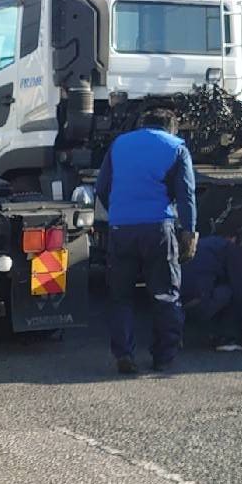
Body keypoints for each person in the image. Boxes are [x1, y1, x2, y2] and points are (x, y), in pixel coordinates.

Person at [96, 108, 198, 374]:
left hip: (121, 228)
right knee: (165, 295)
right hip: (158, 229)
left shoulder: (119, 144)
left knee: (121, 296)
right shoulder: (176, 147)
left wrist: (119, 210)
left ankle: (124, 354)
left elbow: (101, 187)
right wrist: (189, 232)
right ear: (171, 127)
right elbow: (186, 195)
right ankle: (163, 357)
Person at [181, 233, 242, 352]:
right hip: (199, 303)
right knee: (233, 288)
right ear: (233, 239)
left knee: (213, 286)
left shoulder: (202, 245)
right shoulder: (231, 249)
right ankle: (229, 338)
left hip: (179, 307)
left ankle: (208, 333)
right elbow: (241, 290)